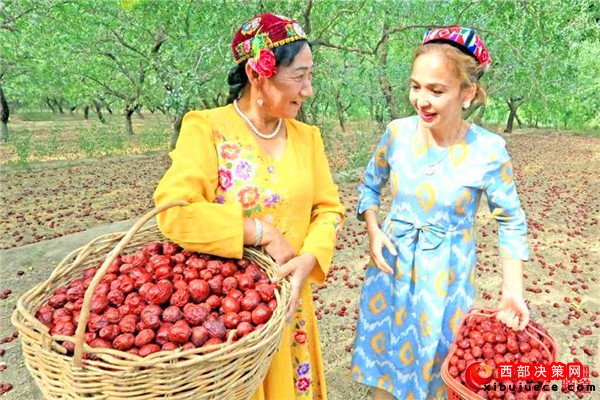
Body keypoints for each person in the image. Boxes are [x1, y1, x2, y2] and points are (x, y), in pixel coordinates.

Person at [153, 13, 345, 400]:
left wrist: (310, 258)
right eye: (299, 76)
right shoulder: (206, 128)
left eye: (310, 76)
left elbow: (328, 210)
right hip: (231, 315)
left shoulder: (307, 137)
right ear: (258, 73)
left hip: (289, 303)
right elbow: (174, 210)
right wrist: (261, 232)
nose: (308, 90)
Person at [350, 26, 529, 400]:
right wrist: (374, 231)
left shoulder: (488, 150)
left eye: (436, 90)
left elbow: (511, 221)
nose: (421, 100)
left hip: (446, 280)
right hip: (391, 271)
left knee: (438, 372)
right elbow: (369, 186)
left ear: (467, 93)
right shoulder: (397, 134)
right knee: (386, 376)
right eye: (416, 86)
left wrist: (513, 289)